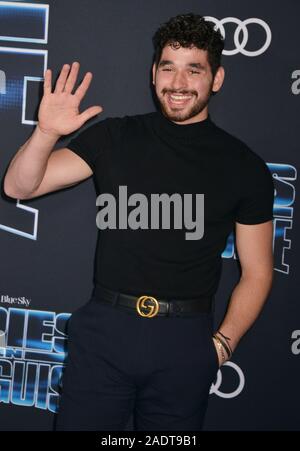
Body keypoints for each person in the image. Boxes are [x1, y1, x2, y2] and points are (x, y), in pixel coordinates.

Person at [3, 13, 274, 431]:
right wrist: (44, 132)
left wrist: (221, 346)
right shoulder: (115, 137)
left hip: (185, 342)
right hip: (105, 334)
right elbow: (20, 187)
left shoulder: (245, 168)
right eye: (168, 67)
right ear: (153, 73)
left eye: (193, 70)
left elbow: (257, 272)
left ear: (216, 78)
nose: (178, 83)